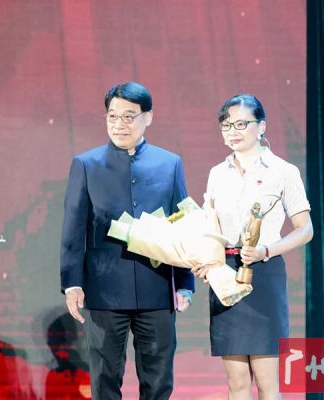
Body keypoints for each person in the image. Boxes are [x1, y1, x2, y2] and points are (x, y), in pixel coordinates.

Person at [60, 82, 194, 400]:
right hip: (104, 291)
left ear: (148, 117)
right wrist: (72, 283)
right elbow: (73, 229)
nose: (119, 124)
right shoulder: (87, 164)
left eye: (129, 116)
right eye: (113, 116)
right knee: (105, 379)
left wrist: (184, 283)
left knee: (159, 381)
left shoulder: (169, 163)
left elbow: (183, 224)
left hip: (156, 287)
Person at [192, 94, 313, 400]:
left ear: (261, 126)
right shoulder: (217, 173)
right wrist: (207, 261)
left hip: (264, 273)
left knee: (267, 382)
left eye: (241, 124)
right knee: (236, 383)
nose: (232, 131)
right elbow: (210, 225)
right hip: (225, 276)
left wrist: (266, 250)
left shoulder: (283, 171)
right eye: (226, 125)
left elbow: (305, 230)